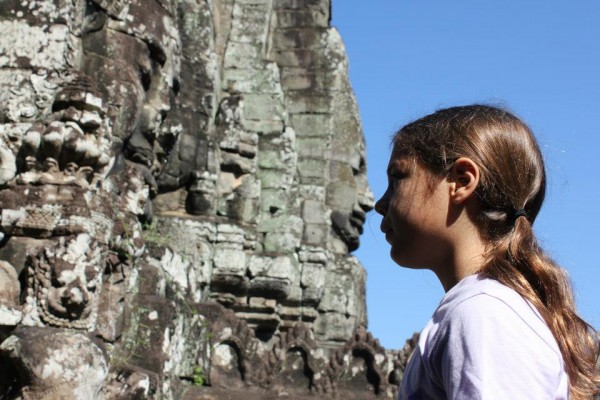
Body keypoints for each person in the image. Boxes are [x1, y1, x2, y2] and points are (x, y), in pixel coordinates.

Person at [374, 105, 600, 399]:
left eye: (397, 178)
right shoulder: (482, 309)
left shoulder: (484, 315)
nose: (380, 203)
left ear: (462, 181)